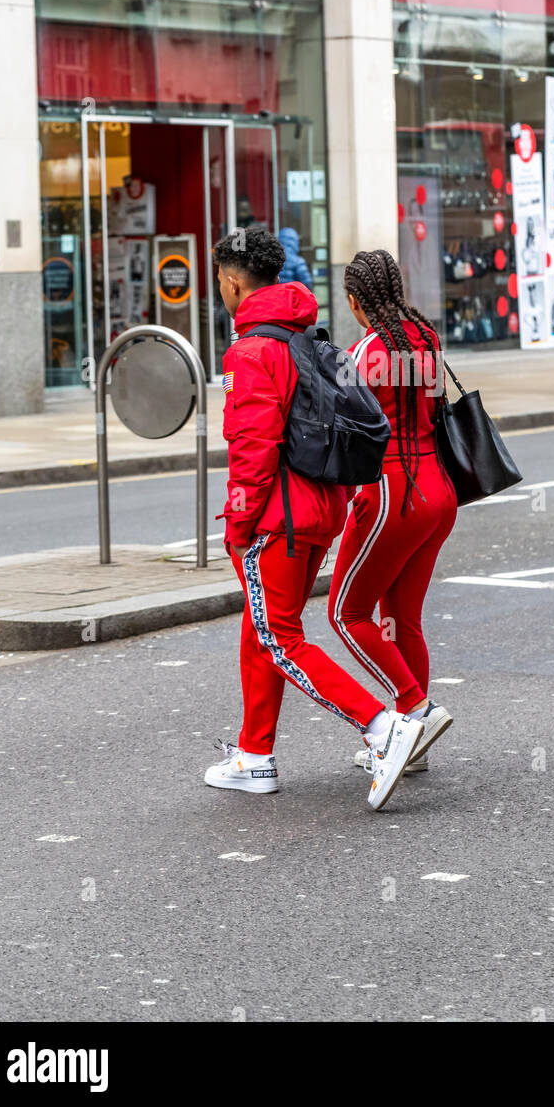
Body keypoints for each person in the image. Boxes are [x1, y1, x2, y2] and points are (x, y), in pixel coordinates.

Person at [205, 227, 424, 810]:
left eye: (220, 282)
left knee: (280, 636)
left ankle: (384, 727)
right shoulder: (308, 340)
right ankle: (255, 758)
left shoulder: (252, 351)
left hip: (278, 518)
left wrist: (238, 524)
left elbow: (252, 450)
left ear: (232, 282)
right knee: (264, 629)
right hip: (321, 509)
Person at [328, 249, 456, 777]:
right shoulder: (425, 339)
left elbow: (342, 433)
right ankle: (415, 744)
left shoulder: (363, 353)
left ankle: (414, 711)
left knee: (346, 613)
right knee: (403, 618)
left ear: (356, 301)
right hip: (441, 494)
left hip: (391, 495)